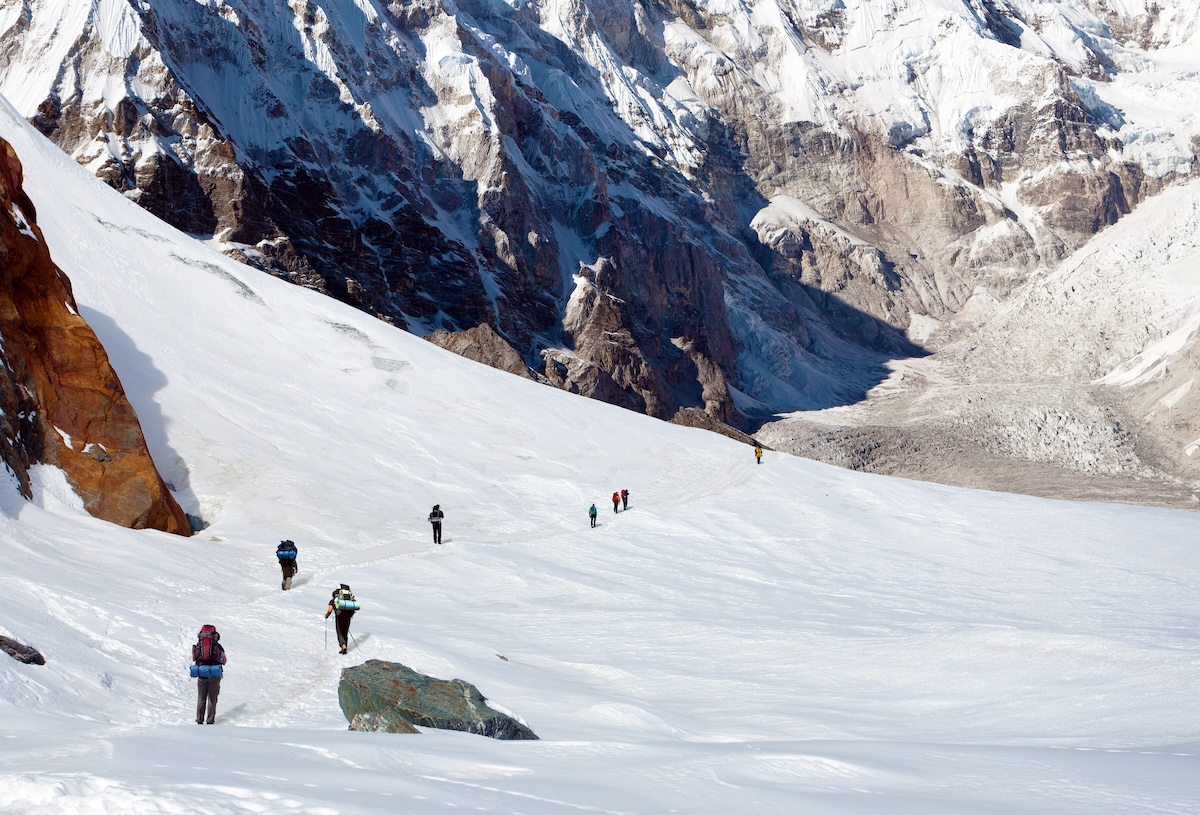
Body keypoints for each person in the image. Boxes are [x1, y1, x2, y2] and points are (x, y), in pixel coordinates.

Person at [191, 624, 226, 725]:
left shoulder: (198, 645)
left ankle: (199, 719)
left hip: (201, 674)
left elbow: (194, 658)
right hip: (214, 675)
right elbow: (224, 661)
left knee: (201, 698)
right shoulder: (217, 646)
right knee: (212, 698)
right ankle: (210, 721)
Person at [325, 584, 358, 655]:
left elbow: (329, 610)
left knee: (339, 631)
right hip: (348, 616)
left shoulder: (334, 600)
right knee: (345, 631)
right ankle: (345, 645)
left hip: (339, 616)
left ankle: (343, 645)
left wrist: (326, 616)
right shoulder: (349, 599)